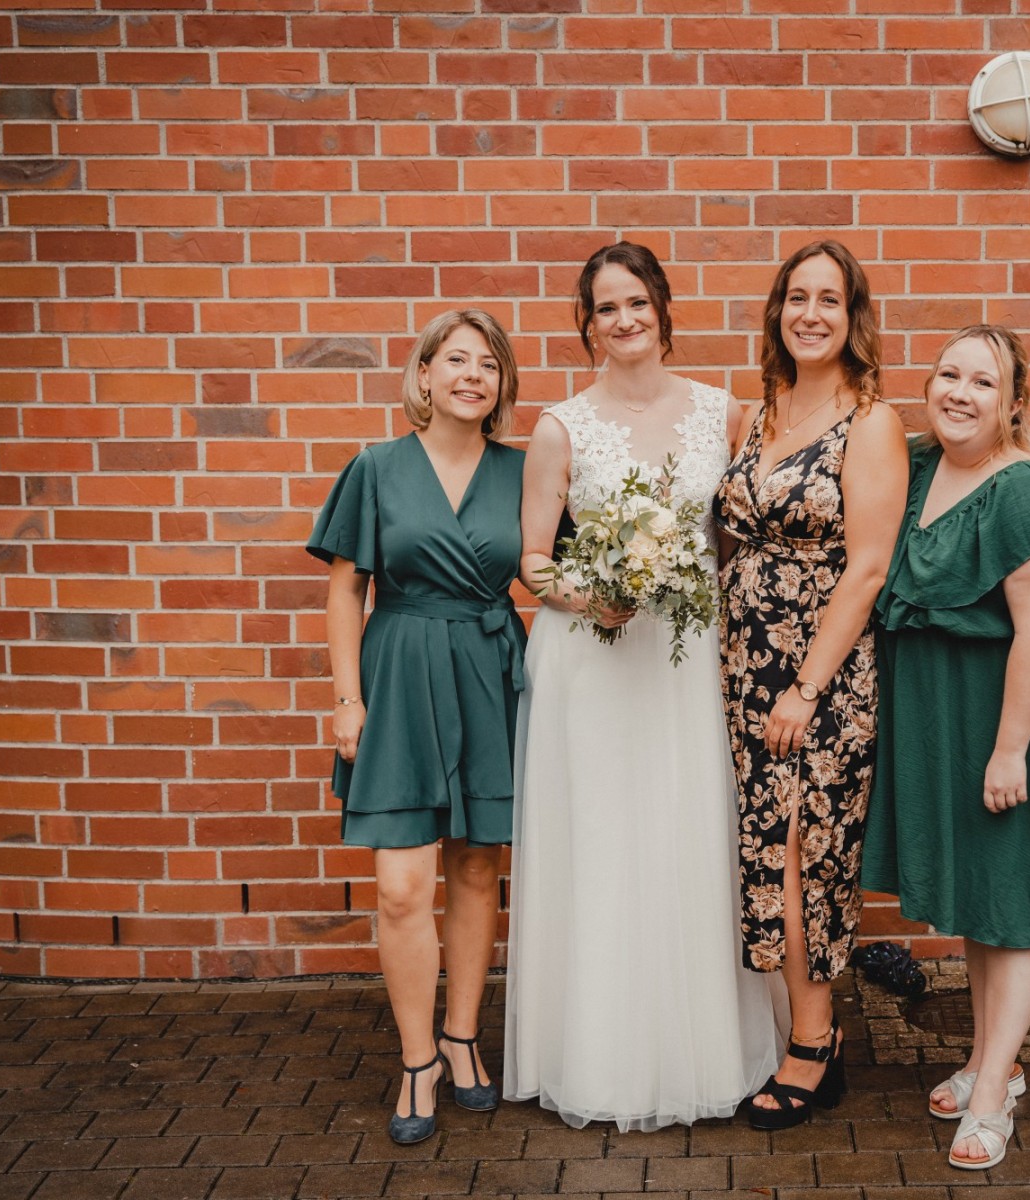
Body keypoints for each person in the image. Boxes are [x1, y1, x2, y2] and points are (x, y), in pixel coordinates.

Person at [503, 241, 779, 1131]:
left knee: (688, 833)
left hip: (686, 659)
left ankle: (704, 1052)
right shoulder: (561, 428)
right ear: (588, 326)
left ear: (663, 309)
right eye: (606, 308)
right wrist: (593, 597)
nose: (624, 320)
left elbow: (734, 544)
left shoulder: (723, 414)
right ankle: (597, 1059)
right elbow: (533, 561)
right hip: (594, 660)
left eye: (636, 303)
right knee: (603, 844)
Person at [862, 325, 1030, 1171]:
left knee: (1019, 898)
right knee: (981, 893)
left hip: (1015, 714)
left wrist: (1010, 752)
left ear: (1014, 403)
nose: (960, 394)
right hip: (947, 715)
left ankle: (996, 1090)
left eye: (983, 382)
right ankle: (983, 1058)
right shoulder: (919, 466)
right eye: (949, 375)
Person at [306, 309, 526, 1145]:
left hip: (488, 670)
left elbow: (565, 573)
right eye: (456, 359)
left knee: (474, 868)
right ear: (425, 374)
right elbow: (344, 590)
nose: (473, 375)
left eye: (489, 364)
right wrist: (346, 698)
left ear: (502, 384)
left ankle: (462, 1038)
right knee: (401, 886)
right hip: (396, 676)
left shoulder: (524, 470)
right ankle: (416, 1059)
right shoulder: (376, 467)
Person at [715, 240, 909, 1129]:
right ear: (778, 311)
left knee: (805, 851)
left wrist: (805, 686)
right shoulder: (757, 414)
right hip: (743, 667)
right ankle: (798, 1029)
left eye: (830, 299)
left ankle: (814, 1043)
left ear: (852, 316)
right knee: (767, 847)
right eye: (798, 296)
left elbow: (866, 568)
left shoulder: (871, 423)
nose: (811, 314)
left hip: (820, 675)